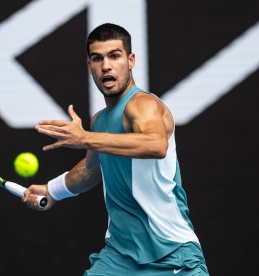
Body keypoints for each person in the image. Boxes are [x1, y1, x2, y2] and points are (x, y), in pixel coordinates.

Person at [23, 23, 208, 275]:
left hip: (172, 254)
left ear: (131, 60)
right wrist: (53, 190)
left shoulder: (143, 104)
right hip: (119, 257)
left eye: (115, 56)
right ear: (89, 66)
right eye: (97, 58)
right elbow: (90, 171)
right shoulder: (99, 121)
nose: (106, 66)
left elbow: (155, 144)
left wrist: (87, 138)